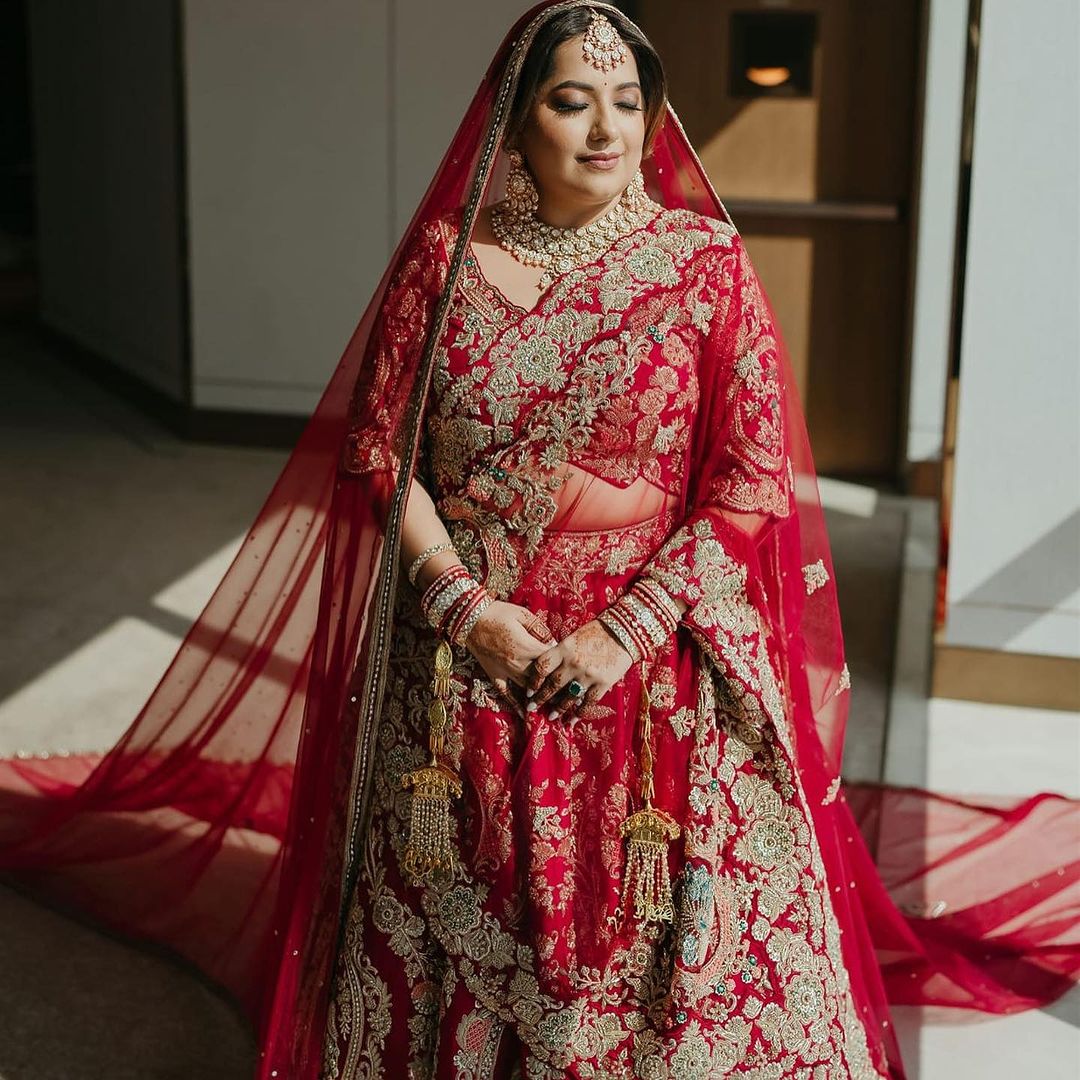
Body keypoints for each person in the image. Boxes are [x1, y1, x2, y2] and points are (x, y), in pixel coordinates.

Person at [0, 4, 1075, 1080]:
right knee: (453, 885)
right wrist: (465, 611)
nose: (606, 128)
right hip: (467, 633)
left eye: (626, 102)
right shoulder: (444, 259)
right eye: (571, 101)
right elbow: (384, 454)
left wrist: (623, 631)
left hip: (657, 655)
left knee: (656, 922)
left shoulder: (705, 264)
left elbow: (748, 480)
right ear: (513, 126)